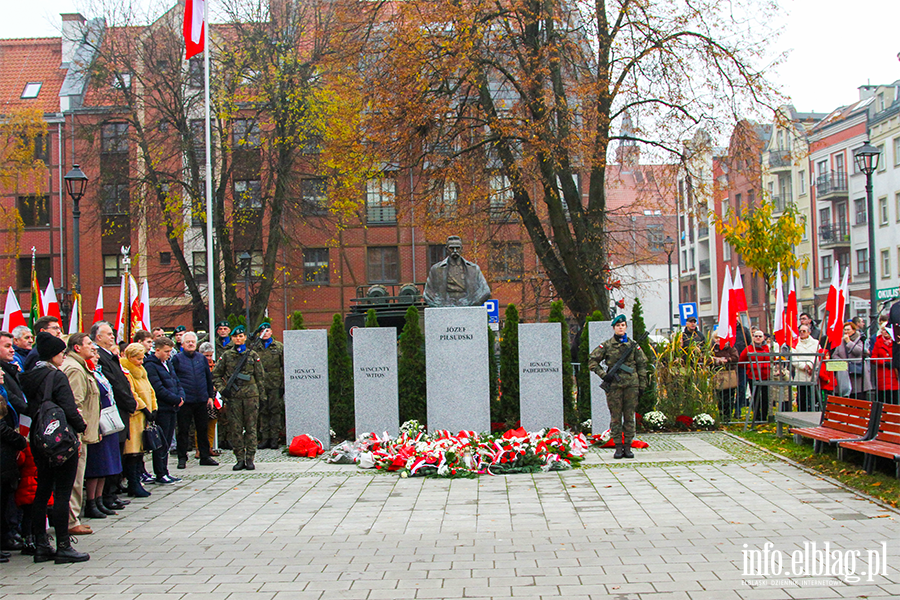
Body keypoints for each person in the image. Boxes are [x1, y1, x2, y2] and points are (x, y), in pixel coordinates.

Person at [19, 332, 89, 564]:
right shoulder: (56, 376)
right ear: (53, 354)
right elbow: (69, 408)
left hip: (39, 439)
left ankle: (41, 544)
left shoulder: (28, 376)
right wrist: (81, 426)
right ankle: (63, 546)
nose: (63, 356)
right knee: (62, 492)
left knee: (42, 491)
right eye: (61, 352)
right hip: (61, 441)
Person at [90, 321, 137, 511]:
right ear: (98, 337)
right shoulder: (100, 357)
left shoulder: (111, 356)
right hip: (111, 412)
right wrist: (129, 402)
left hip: (120, 411)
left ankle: (111, 493)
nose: (112, 337)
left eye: (112, 334)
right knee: (109, 456)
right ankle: (106, 496)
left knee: (117, 454)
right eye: (108, 334)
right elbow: (115, 385)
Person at [587, 315, 648, 459]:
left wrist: (642, 385)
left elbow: (642, 366)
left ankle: (628, 446)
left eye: (623, 325)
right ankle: (618, 447)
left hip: (631, 385)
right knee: (615, 417)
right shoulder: (607, 345)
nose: (621, 327)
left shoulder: (633, 346)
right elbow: (592, 361)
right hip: (614, 385)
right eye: (618, 325)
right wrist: (603, 375)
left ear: (626, 327)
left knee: (629, 417)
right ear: (614, 328)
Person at [60, 334, 101, 532]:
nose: (93, 348)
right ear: (77, 347)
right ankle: (71, 521)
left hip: (82, 431)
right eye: (89, 344)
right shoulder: (75, 369)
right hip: (77, 433)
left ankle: (72, 518)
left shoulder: (79, 366)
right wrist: (80, 429)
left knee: (77, 477)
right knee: (75, 479)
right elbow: (75, 404)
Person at [212, 325, 265, 471]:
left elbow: (260, 377)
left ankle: (250, 459)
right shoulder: (227, 356)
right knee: (235, 429)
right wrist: (223, 390)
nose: (238, 339)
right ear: (232, 338)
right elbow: (216, 375)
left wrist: (262, 397)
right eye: (235, 336)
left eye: (241, 336)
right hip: (234, 398)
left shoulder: (252, 355)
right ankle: (239, 458)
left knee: (251, 428)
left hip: (251, 397)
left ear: (245, 338)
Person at [83, 344, 122, 519]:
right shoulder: (84, 372)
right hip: (96, 422)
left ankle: (100, 499)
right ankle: (91, 502)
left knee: (106, 464)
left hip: (108, 421)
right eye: (93, 353)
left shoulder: (98, 372)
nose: (96, 356)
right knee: (96, 465)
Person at [172, 332, 219, 469]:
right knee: (183, 430)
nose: (191, 344)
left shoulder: (201, 358)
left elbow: (208, 378)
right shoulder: (177, 359)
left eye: (193, 341)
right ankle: (182, 457)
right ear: (183, 344)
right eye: (188, 342)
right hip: (185, 400)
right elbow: (174, 379)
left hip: (201, 400)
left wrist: (210, 396)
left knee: (202, 429)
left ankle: (204, 456)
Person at [0, 332, 27, 555]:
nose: (12, 350)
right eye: (7, 346)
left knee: (9, 491)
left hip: (8, 446)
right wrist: (17, 438)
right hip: (6, 443)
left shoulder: (12, 371)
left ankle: (9, 532)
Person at [143, 337, 184, 484]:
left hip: (172, 407)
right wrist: (174, 399)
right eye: (166, 352)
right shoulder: (151, 366)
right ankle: (160, 472)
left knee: (167, 441)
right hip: (162, 408)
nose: (168, 354)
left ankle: (165, 471)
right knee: (161, 442)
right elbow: (158, 388)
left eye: (170, 351)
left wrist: (180, 396)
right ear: (157, 350)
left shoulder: (168, 363)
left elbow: (176, 381)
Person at [120, 343, 157, 498]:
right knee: (132, 452)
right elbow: (132, 394)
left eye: (142, 358)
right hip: (135, 416)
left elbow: (150, 389)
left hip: (144, 417)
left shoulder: (141, 371)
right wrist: (144, 408)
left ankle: (137, 480)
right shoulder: (127, 372)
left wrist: (154, 407)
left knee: (140, 451)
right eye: (138, 358)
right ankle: (132, 482)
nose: (141, 362)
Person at [423, 235, 491, 307]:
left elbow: (485, 291)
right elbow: (427, 294)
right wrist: (442, 304)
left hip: (468, 305)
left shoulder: (473, 269)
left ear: (462, 249)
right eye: (451, 248)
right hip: (444, 306)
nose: (455, 251)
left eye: (457, 248)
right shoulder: (436, 270)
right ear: (447, 249)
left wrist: (471, 302)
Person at [256, 323, 284, 449]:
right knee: (263, 411)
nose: (265, 333)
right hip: (260, 384)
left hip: (275, 383)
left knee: (275, 411)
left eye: (267, 330)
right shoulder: (255, 347)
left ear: (271, 332)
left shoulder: (278, 347)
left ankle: (274, 438)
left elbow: (284, 366)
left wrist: (283, 384)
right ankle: (264, 438)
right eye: (262, 331)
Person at [831, 322, 871, 400]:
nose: (846, 332)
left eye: (848, 329)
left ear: (853, 330)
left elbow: (859, 351)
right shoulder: (841, 341)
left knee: (859, 395)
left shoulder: (859, 339)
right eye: (845, 330)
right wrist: (842, 361)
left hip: (857, 371)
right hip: (845, 372)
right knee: (848, 395)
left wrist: (849, 342)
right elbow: (834, 355)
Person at [739, 329, 771, 422]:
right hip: (753, 376)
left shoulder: (767, 348)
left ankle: (764, 416)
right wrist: (749, 368)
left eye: (760, 336)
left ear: (763, 338)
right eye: (756, 336)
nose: (758, 338)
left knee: (765, 397)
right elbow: (741, 361)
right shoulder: (749, 348)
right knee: (755, 396)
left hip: (766, 376)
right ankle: (756, 416)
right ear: (753, 337)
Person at [197, 342, 219, 457]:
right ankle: (199, 448)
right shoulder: (197, 364)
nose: (209, 358)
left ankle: (209, 446)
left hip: (214, 396)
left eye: (210, 355)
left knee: (212, 422)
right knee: (200, 424)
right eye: (206, 355)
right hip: (201, 395)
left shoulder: (216, 365)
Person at [711, 332, 739, 420]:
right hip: (717, 374)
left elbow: (736, 358)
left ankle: (728, 416)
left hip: (729, 373)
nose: (718, 340)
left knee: (729, 396)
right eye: (716, 338)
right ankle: (720, 415)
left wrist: (727, 360)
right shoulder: (712, 348)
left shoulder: (730, 348)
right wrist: (715, 360)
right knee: (719, 397)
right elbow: (707, 358)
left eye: (720, 338)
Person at [792, 325, 820, 412]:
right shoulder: (794, 343)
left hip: (812, 373)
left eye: (804, 331)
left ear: (809, 332)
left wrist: (810, 365)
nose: (802, 333)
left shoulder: (816, 343)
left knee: (812, 396)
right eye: (800, 331)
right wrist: (804, 367)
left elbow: (818, 356)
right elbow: (793, 358)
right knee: (801, 397)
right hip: (801, 373)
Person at [871, 324, 898, 404]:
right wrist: (883, 362)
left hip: (894, 373)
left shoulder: (896, 343)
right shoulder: (878, 343)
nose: (885, 332)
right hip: (882, 374)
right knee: (883, 399)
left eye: (887, 330)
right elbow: (873, 358)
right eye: (883, 330)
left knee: (895, 398)